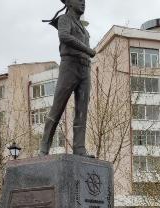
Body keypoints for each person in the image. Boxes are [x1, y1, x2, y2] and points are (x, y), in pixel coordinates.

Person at [40, 0, 96, 155]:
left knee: (82, 110)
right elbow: (64, 36)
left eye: (84, 1)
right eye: (79, 0)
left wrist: (87, 54)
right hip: (69, 65)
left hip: (85, 68)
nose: (83, 3)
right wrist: (87, 49)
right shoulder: (64, 20)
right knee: (58, 106)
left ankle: (79, 147)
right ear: (69, 3)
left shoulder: (83, 29)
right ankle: (44, 147)